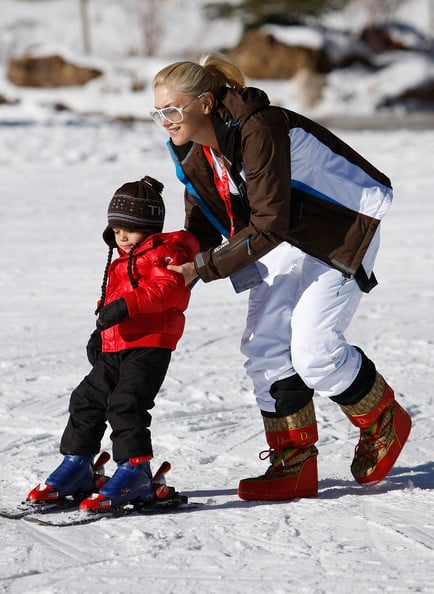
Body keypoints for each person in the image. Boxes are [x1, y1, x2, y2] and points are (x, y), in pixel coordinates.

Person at [150, 52, 412, 501]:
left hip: (342, 227)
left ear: (206, 104)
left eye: (172, 110)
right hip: (283, 233)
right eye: (158, 112)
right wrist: (175, 259)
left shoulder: (261, 127)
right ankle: (293, 459)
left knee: (313, 351)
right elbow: (204, 217)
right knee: (263, 345)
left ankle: (383, 416)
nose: (164, 121)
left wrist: (205, 268)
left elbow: (270, 223)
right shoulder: (191, 148)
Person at [27, 175, 199, 510]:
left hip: (150, 344)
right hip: (116, 345)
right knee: (86, 399)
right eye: (116, 229)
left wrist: (126, 306)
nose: (121, 237)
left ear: (150, 227)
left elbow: (169, 289)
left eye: (129, 230)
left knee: (126, 403)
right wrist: (100, 331)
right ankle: (77, 465)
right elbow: (111, 301)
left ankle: (135, 472)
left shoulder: (166, 251)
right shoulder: (121, 258)